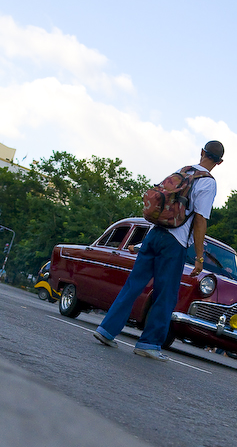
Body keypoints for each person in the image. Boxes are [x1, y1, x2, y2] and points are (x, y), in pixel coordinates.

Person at [93, 141, 224, 361]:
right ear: (219, 162)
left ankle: (106, 330)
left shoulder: (183, 171)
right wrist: (200, 257)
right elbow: (200, 220)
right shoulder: (208, 183)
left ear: (202, 152)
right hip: (175, 242)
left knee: (133, 285)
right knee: (166, 295)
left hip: (154, 233)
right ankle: (149, 343)